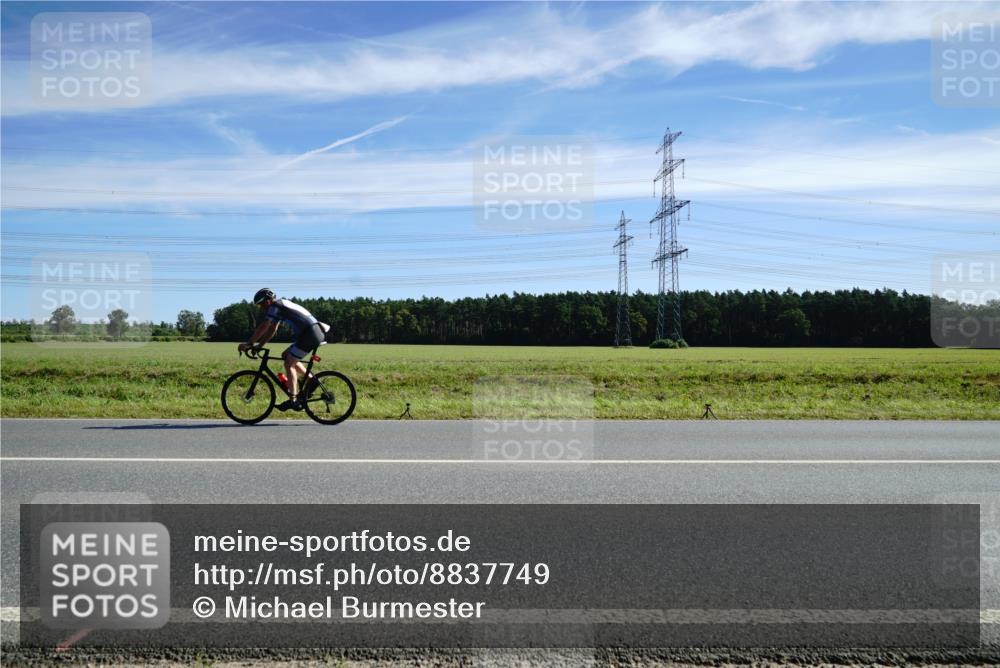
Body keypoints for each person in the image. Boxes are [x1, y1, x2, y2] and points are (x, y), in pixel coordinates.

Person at [239, 288, 330, 411]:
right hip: (310, 333)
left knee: (289, 363)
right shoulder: (280, 306)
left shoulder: (276, 305)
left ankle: (293, 399)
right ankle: (311, 380)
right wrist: (260, 346)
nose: (262, 307)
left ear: (269, 300)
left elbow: (265, 325)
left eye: (262, 304)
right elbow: (272, 329)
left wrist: (249, 343)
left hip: (310, 333)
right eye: (259, 305)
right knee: (286, 355)